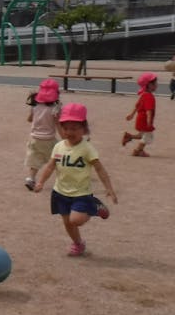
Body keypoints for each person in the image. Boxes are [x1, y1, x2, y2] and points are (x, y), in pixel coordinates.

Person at [33, 103, 118, 257]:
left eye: (74, 128)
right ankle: (78, 244)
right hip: (60, 192)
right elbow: (50, 166)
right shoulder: (58, 146)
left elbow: (99, 169)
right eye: (66, 128)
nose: (69, 132)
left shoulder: (87, 148)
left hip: (81, 193)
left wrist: (109, 188)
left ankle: (94, 206)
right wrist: (41, 182)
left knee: (76, 220)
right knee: (67, 222)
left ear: (84, 129)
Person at [23, 79, 62, 191]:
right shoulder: (55, 109)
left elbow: (29, 119)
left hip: (34, 138)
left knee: (35, 160)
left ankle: (30, 179)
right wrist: (65, 138)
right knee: (58, 159)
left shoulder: (35, 106)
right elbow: (58, 125)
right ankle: (64, 178)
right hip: (49, 139)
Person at [122, 72, 158, 157]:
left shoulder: (143, 95)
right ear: (149, 85)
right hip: (145, 120)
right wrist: (149, 122)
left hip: (140, 119)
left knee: (142, 135)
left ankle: (129, 136)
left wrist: (131, 115)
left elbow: (137, 106)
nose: (157, 85)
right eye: (155, 83)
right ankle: (138, 150)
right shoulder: (149, 96)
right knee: (148, 137)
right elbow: (148, 111)